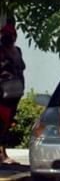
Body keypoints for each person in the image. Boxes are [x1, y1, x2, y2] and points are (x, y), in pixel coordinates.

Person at [0, 22, 26, 165]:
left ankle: (3, 153)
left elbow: (21, 68)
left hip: (15, 95)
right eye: (5, 35)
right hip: (2, 96)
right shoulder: (1, 51)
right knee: (1, 125)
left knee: (7, 126)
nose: (8, 37)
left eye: (10, 35)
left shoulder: (18, 50)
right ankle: (2, 155)